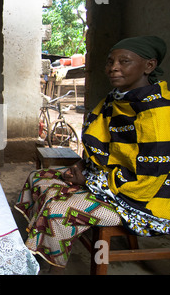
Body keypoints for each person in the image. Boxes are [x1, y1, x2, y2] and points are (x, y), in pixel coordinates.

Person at [15, 35, 170, 270]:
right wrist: (83, 167)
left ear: (149, 66)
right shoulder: (114, 101)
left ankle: (51, 266)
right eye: (110, 62)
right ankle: (39, 244)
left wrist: (87, 178)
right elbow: (99, 148)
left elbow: (145, 181)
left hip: (145, 202)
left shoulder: (157, 113)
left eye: (124, 61)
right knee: (38, 178)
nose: (113, 68)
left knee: (57, 210)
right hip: (109, 182)